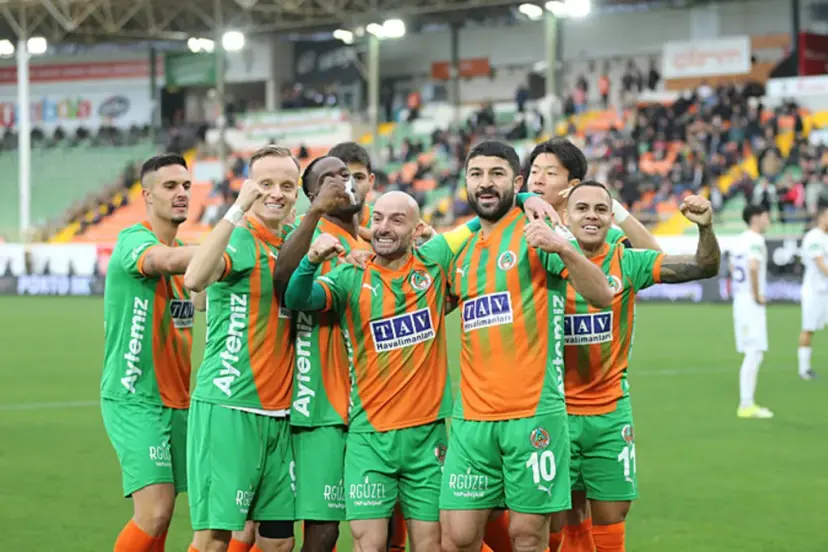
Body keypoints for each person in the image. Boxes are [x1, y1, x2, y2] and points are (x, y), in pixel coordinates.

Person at [439, 140, 614, 552]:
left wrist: (563, 247)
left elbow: (603, 294)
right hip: (471, 421)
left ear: (516, 182)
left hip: (533, 415)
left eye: (497, 174)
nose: (485, 183)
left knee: (528, 537)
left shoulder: (538, 232)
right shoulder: (458, 249)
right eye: (476, 174)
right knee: (458, 538)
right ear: (466, 182)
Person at [284, 190, 471, 552]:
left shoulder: (434, 264)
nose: (384, 227)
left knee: (430, 544)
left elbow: (483, 218)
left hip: (426, 437)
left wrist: (527, 196)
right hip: (369, 438)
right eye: (379, 218)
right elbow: (296, 299)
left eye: (397, 220)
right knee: (368, 544)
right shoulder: (350, 276)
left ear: (417, 229)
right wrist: (311, 259)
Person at [559, 182, 721, 552]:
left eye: (601, 209)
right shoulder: (546, 262)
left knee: (612, 516)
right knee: (552, 520)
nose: (591, 216)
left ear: (611, 218)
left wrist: (705, 228)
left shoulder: (629, 262)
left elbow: (704, 266)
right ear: (565, 216)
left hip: (610, 412)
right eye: (582, 208)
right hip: (554, 413)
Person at [181, 145, 306, 552]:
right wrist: (235, 210)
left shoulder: (293, 243)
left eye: (287, 185)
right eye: (266, 183)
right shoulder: (240, 237)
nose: (277, 193)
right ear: (250, 187)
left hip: (280, 415)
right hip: (229, 407)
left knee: (279, 542)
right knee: (215, 538)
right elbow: (194, 281)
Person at [100, 153, 196, 552]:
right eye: (170, 186)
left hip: (179, 400)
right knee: (154, 510)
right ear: (147, 196)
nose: (181, 193)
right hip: (135, 395)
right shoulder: (134, 241)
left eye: (186, 186)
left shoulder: (187, 252)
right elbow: (164, 260)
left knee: (165, 514)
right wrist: (232, 245)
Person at [272, 153, 365, 552]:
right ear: (312, 195)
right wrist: (315, 213)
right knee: (320, 528)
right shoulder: (309, 233)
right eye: (329, 179)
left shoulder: (364, 241)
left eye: (347, 175)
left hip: (366, 403)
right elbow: (282, 283)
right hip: (319, 403)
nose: (342, 182)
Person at [730, 204, 774, 419]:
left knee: (753, 350)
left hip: (740, 298)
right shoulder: (756, 241)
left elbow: (732, 268)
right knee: (754, 351)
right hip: (750, 301)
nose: (768, 220)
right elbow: (753, 266)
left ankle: (747, 402)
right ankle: (746, 404)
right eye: (766, 216)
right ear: (756, 218)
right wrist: (756, 294)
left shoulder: (739, 240)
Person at [798, 203, 828, 380]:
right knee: (809, 328)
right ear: (821, 218)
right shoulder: (814, 237)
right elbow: (820, 264)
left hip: (826, 291)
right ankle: (804, 368)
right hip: (814, 290)